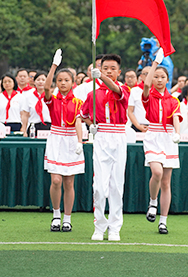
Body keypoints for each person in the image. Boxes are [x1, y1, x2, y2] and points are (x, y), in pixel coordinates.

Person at [80, 54, 131, 242]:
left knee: (116, 186)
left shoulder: (124, 89)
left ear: (119, 72)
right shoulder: (92, 94)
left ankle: (115, 228)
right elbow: (83, 114)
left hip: (118, 137)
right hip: (101, 137)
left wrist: (101, 77)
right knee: (99, 188)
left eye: (112, 69)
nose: (109, 71)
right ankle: (99, 226)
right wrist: (91, 125)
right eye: (105, 68)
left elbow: (115, 89)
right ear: (100, 69)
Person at [43, 49, 85, 233]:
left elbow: (78, 122)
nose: (62, 83)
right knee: (56, 180)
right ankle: (56, 214)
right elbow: (46, 88)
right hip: (56, 138)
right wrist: (54, 65)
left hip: (71, 140)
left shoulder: (78, 103)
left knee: (69, 182)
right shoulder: (52, 100)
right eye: (59, 80)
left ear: (72, 82)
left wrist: (79, 141)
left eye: (66, 80)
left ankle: (67, 218)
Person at [141, 49, 181, 235]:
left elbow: (176, 118)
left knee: (166, 182)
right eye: (156, 77)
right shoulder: (148, 97)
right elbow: (146, 84)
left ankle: (163, 221)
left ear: (167, 79)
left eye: (162, 77)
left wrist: (177, 133)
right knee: (156, 172)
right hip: (153, 135)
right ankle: (152, 202)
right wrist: (155, 64)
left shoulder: (173, 100)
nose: (158, 80)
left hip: (168, 137)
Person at [21, 72, 51, 136]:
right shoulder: (29, 97)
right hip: (34, 127)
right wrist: (24, 130)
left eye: (43, 80)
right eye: (38, 80)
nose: (40, 82)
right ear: (34, 82)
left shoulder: (51, 97)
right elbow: (25, 115)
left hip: (48, 127)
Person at [128, 66, 150, 132]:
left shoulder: (157, 91)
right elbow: (130, 111)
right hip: (137, 126)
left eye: (150, 74)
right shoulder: (134, 90)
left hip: (153, 127)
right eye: (146, 74)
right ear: (141, 76)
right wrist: (138, 126)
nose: (148, 76)